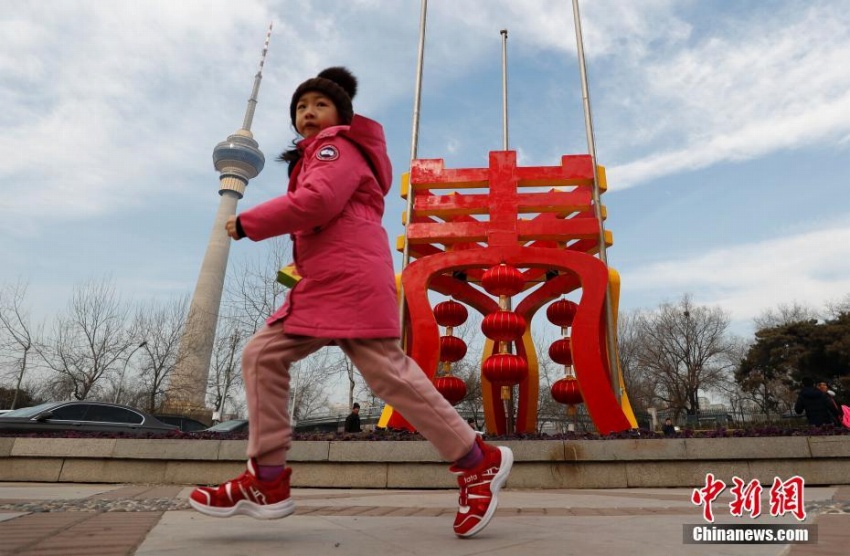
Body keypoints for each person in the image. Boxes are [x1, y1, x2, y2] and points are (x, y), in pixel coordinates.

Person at [188, 67, 512, 538]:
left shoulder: (335, 148)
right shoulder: (315, 155)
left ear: (341, 114)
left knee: (388, 374)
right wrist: (295, 270)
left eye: (319, 104)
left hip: (352, 280)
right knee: (264, 354)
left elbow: (317, 204)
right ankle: (268, 480)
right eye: (301, 107)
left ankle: (478, 460)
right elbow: (322, 224)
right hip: (328, 280)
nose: (308, 113)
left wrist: (249, 222)